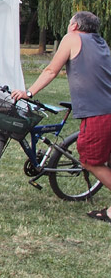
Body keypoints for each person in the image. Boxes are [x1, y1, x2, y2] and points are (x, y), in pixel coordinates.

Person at [12, 11, 111, 224]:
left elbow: (50, 70)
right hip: (106, 108)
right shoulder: (101, 43)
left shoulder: (72, 38)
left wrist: (28, 93)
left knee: (91, 161)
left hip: (99, 113)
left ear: (74, 25)